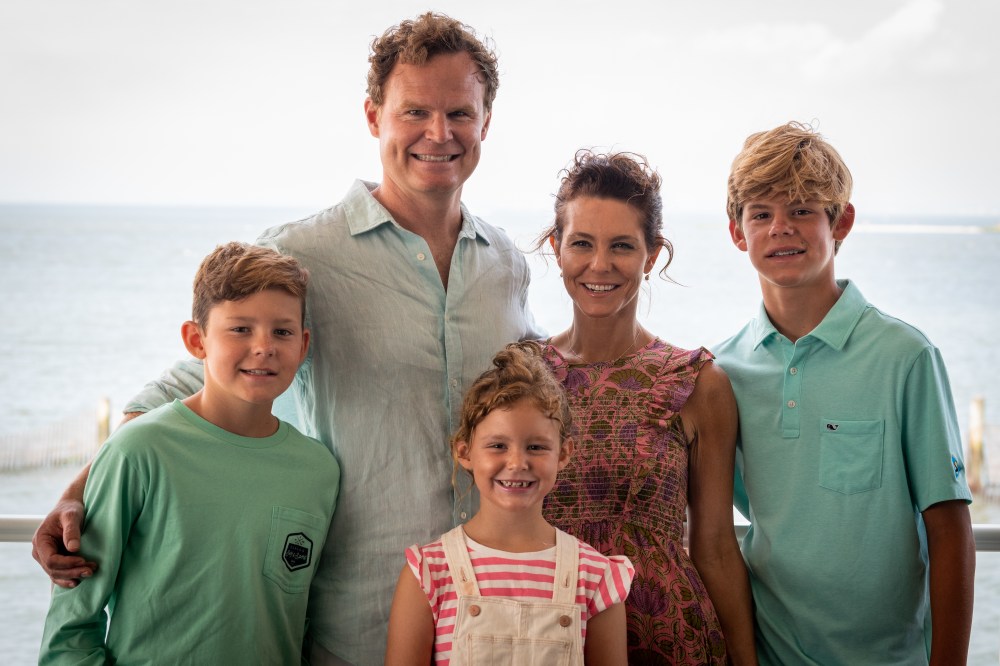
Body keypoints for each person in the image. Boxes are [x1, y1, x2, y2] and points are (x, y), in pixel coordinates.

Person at [32, 13, 539, 665]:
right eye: (415, 111)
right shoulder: (305, 253)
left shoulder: (506, 263)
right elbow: (191, 383)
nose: (438, 133)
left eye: (459, 113)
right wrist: (79, 493)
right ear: (373, 117)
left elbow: (536, 388)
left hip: (490, 622)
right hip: (352, 624)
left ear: (486, 123)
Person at [713, 121, 976, 665]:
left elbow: (949, 529)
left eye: (801, 209)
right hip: (772, 654)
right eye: (760, 214)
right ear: (738, 233)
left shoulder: (905, 357)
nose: (780, 228)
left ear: (842, 221)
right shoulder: (722, 372)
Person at [37, 242, 339, 664]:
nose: (264, 346)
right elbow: (70, 631)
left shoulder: (318, 470)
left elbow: (300, 620)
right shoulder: (137, 450)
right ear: (197, 340)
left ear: (303, 345)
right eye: (240, 329)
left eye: (282, 332)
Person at [537, 150, 757, 665]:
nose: (600, 265)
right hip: (545, 634)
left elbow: (715, 547)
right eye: (582, 243)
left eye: (622, 246)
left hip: (667, 639)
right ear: (556, 249)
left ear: (652, 255)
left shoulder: (697, 382)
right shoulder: (523, 377)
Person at [385, 342, 634, 665]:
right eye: (498, 445)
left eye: (536, 447)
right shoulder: (428, 573)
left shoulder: (596, 578)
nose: (517, 463)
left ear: (564, 454)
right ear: (465, 453)